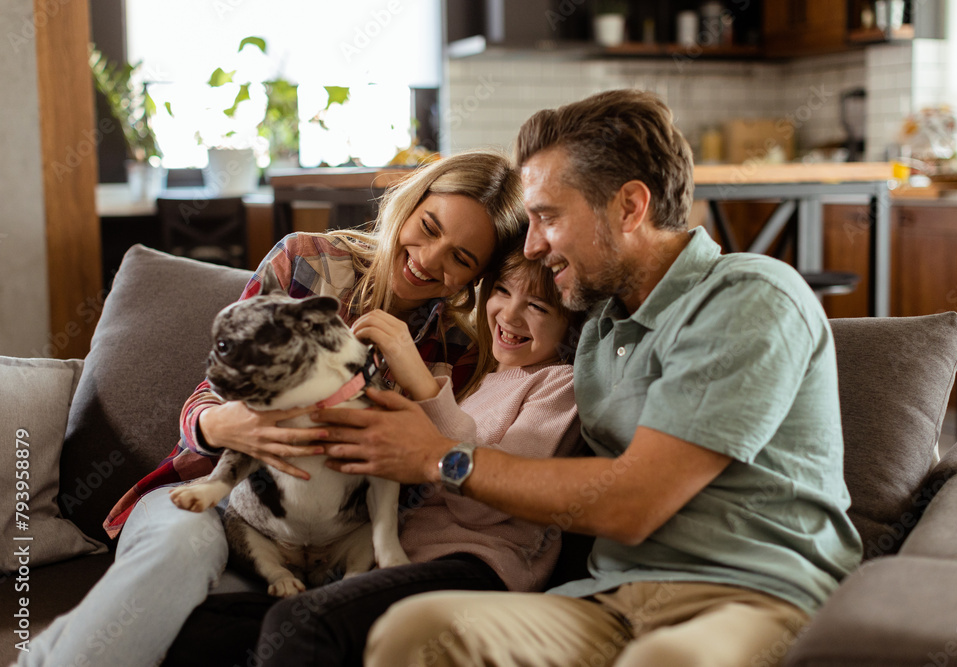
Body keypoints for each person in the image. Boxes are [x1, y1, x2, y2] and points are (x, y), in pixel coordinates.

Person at [310, 89, 865, 667]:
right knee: (416, 630)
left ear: (629, 207)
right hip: (610, 602)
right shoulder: (599, 329)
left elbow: (635, 501)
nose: (531, 245)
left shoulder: (748, 297)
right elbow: (505, 329)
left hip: (752, 597)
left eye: (548, 217)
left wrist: (438, 457)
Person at [17, 150, 525, 667]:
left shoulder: (460, 350)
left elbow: (445, 475)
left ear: (477, 278)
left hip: (335, 541)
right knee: (181, 553)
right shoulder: (307, 260)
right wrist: (225, 425)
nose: (430, 258)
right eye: (429, 226)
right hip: (220, 499)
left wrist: (419, 383)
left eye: (462, 258)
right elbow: (213, 386)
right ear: (409, 205)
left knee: (216, 633)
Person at [161, 242, 586, 667]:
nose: (509, 316)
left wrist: (424, 390)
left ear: (571, 322)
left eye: (538, 308)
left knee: (303, 623)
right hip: (390, 559)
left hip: (474, 565)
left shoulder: (557, 384)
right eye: (503, 292)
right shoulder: (473, 373)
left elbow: (484, 509)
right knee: (203, 629)